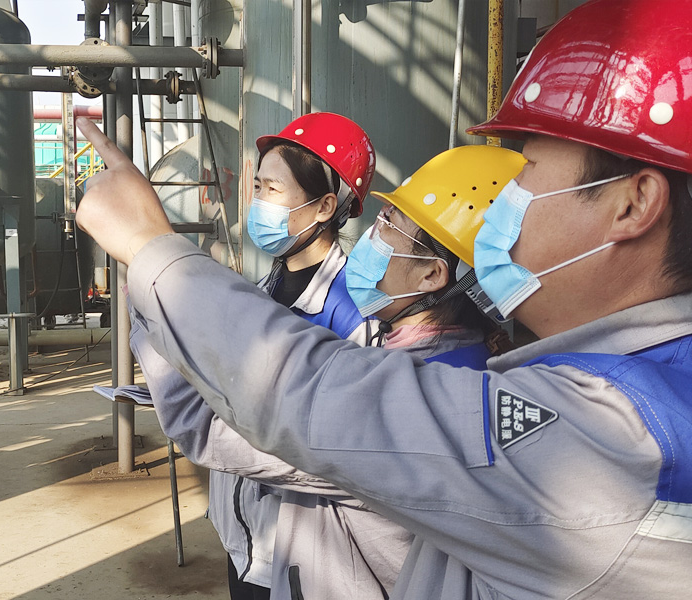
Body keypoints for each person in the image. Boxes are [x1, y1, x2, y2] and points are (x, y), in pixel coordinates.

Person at [76, 1, 692, 596]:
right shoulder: (622, 378)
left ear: (633, 203)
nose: (507, 205)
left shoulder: (613, 432)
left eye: (526, 170)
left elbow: (298, 399)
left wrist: (149, 250)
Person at [129, 146, 525, 599]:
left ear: (432, 276)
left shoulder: (417, 399)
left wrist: (150, 263)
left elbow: (217, 429)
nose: (370, 237)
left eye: (388, 226)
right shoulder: (442, 359)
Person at [155, 112, 376, 599]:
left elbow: (340, 443)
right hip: (242, 533)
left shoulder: (352, 312)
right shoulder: (259, 291)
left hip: (303, 548)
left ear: (324, 207)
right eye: (256, 187)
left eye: (272, 189)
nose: (257, 202)